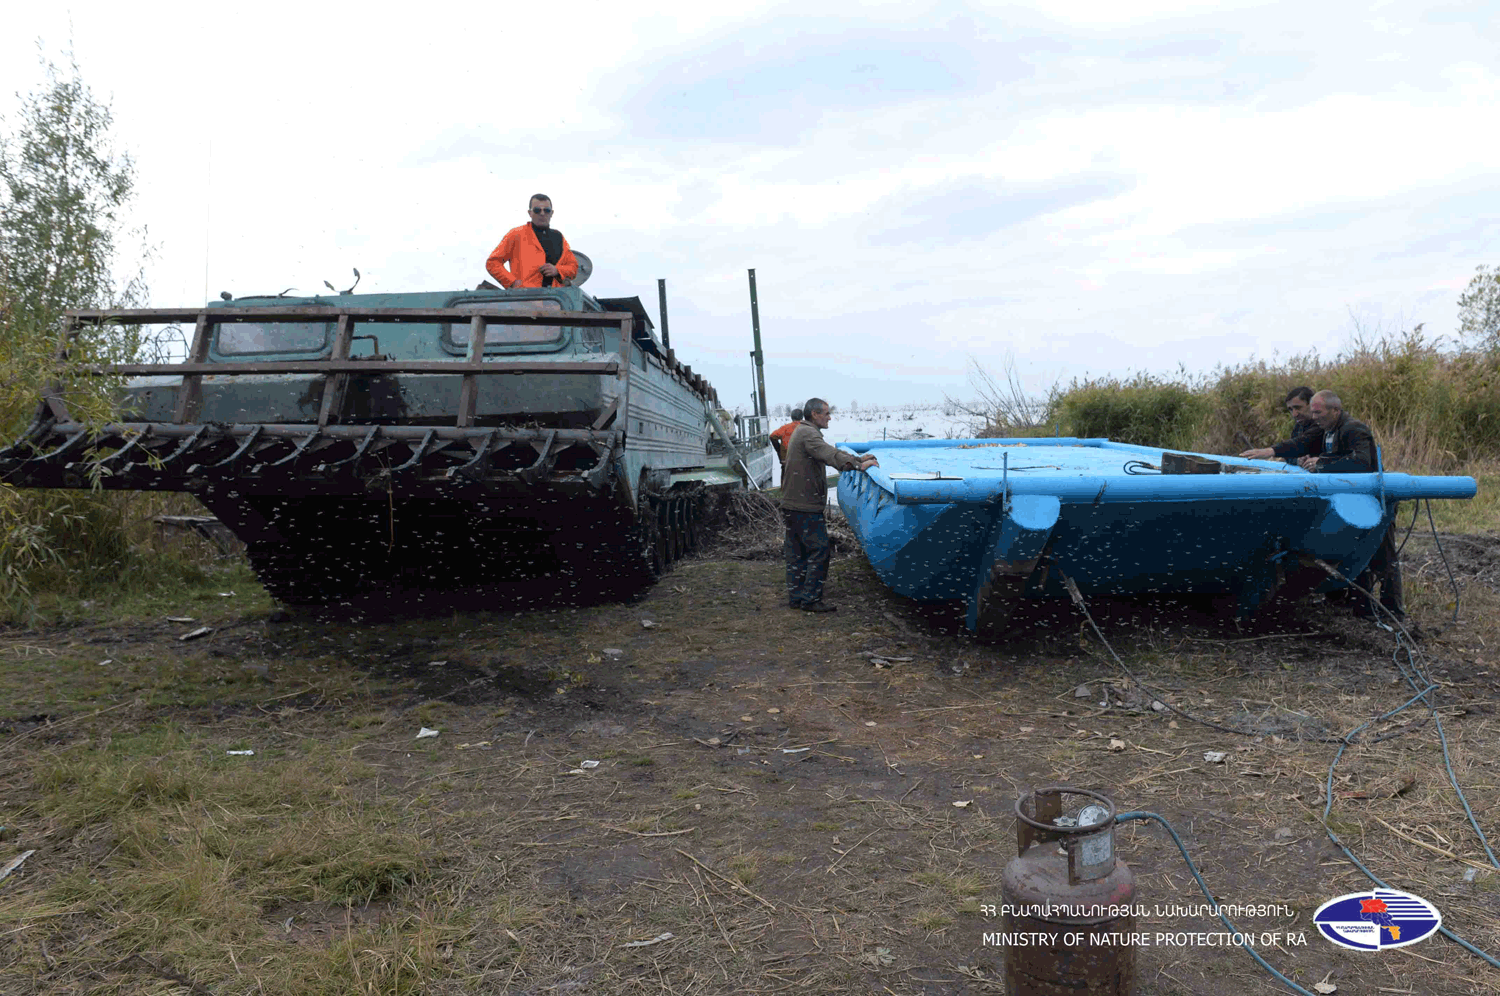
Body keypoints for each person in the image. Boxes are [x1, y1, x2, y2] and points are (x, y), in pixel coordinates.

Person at [1240, 391, 1402, 619]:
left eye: (1318, 412)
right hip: (1353, 501)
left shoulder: (1353, 429)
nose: (1313, 417)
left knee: (1383, 556)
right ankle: (1361, 607)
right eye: (1313, 412)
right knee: (1356, 554)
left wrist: (1322, 462)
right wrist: (1271, 452)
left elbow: (1361, 461)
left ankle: (1394, 612)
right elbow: (1301, 443)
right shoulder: (1328, 429)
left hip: (1375, 502)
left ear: (1335, 410)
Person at [781, 399, 877, 612]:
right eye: (826, 413)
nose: (829, 417)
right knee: (819, 551)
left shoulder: (802, 431)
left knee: (797, 553)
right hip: (804, 505)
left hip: (793, 503)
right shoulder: (808, 434)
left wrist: (856, 458)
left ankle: (797, 597)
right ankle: (811, 600)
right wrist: (859, 465)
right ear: (814, 414)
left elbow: (828, 451)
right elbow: (829, 454)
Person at [485, 194, 579, 290]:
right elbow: (492, 263)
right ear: (530, 213)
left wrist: (557, 270)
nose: (542, 213)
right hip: (525, 300)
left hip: (555, 301)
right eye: (537, 210)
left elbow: (573, 267)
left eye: (546, 210)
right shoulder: (516, 234)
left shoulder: (559, 237)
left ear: (552, 213)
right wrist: (512, 282)